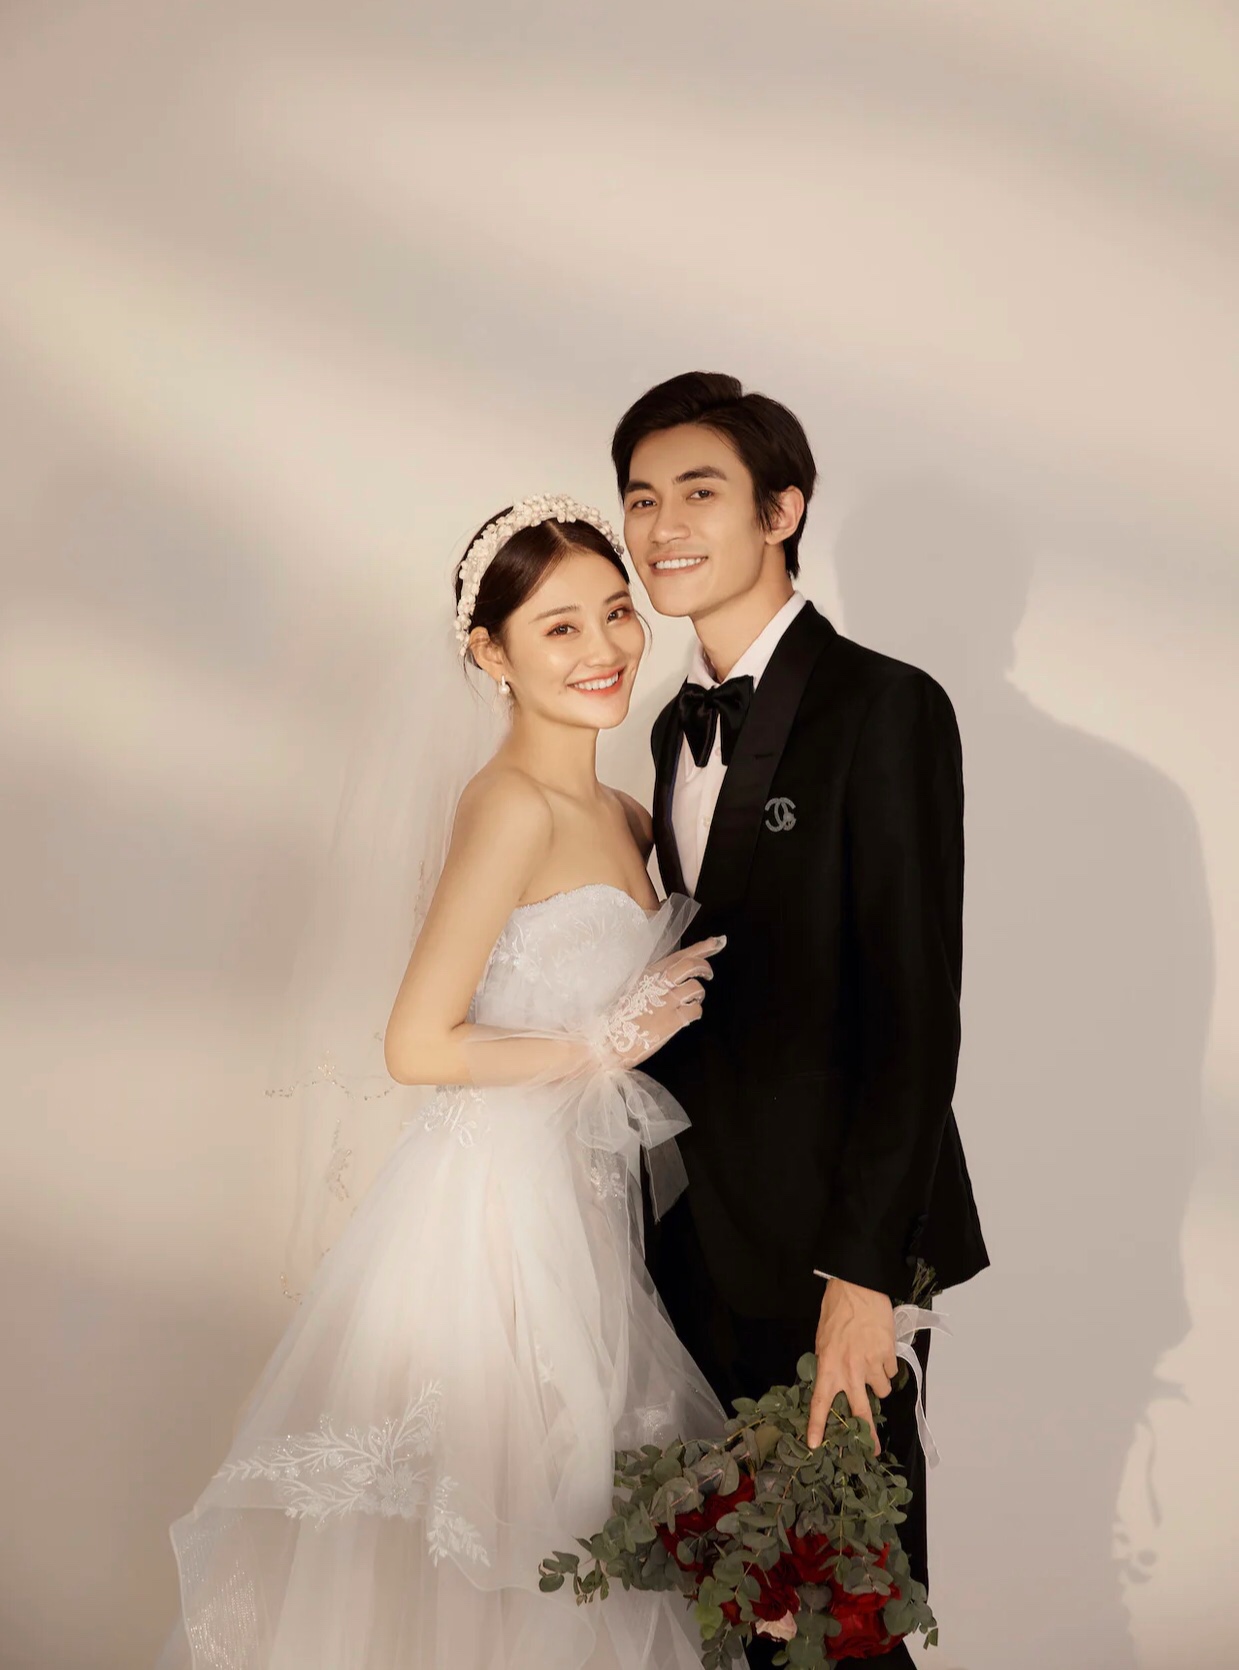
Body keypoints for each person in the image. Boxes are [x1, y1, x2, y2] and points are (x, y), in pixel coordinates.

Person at [155, 496, 727, 1670]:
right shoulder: (509, 804)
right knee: (507, 1528)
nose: (606, 647)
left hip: (588, 1208)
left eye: (616, 612)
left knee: (587, 1524)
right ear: (490, 652)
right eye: (559, 627)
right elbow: (417, 1042)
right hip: (495, 1218)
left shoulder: (624, 812)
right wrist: (602, 1041)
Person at [613, 373, 990, 1669]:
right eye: (641, 498)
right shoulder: (665, 728)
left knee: (846, 1624)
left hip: (838, 1244)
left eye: (698, 491)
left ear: (782, 510)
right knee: (742, 1625)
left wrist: (861, 1278)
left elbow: (913, 1013)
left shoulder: (885, 705)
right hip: (696, 1245)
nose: (662, 524)